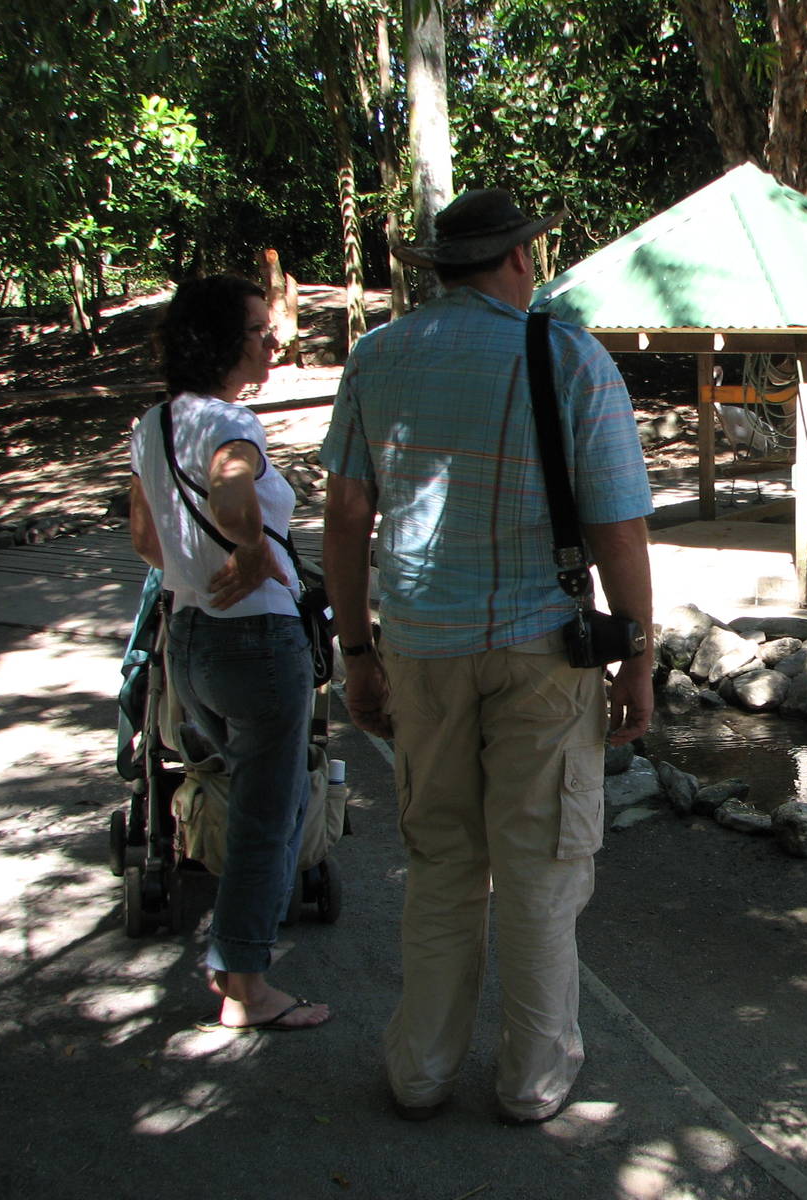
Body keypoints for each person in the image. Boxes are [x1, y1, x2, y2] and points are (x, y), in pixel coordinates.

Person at [321, 186, 654, 1124]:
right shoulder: (572, 358)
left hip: (420, 651)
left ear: (443, 269)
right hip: (543, 653)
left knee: (441, 864)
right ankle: (531, 1080)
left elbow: (345, 517)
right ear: (517, 259)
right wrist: (636, 655)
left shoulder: (377, 357)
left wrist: (357, 651)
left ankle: (420, 1072)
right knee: (542, 871)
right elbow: (617, 529)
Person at [128, 275, 331, 1032]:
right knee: (266, 814)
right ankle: (245, 985)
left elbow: (145, 537)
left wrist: (195, 572)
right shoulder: (230, 422)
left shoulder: (153, 424)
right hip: (256, 642)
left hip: (190, 640)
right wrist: (248, 550)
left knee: (249, 792)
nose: (274, 343)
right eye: (259, 331)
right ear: (219, 342)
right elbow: (230, 487)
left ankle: (237, 957)